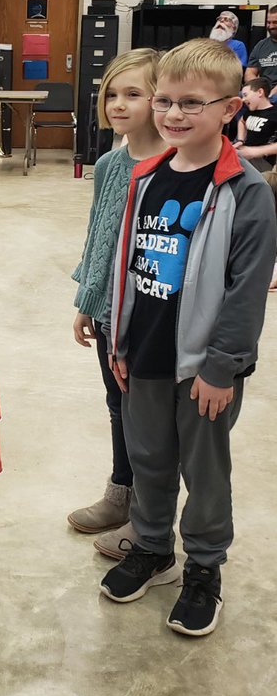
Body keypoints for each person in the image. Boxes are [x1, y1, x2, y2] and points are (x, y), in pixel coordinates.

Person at [100, 39, 275, 636]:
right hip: (143, 351)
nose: (174, 114)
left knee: (204, 471)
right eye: (166, 100)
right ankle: (152, 549)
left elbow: (247, 290)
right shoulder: (145, 177)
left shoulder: (245, 191)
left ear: (230, 110)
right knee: (148, 458)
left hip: (204, 366)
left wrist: (222, 366)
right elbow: (128, 263)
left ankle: (204, 567)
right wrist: (120, 342)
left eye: (193, 103)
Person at [68, 48, 165, 558]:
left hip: (148, 316)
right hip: (107, 312)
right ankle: (120, 494)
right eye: (112, 94)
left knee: (147, 417)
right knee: (116, 405)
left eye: (133, 94)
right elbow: (97, 237)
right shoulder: (108, 163)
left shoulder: (172, 165)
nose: (119, 104)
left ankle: (151, 515)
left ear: (159, 99)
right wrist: (87, 299)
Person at [235, 77, 277, 171]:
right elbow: (241, 121)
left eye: (245, 95)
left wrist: (254, 152)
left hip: (264, 163)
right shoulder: (250, 111)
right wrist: (240, 140)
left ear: (260, 92)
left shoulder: (274, 113)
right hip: (246, 156)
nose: (243, 100)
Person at [246, 5, 277, 95]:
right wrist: (259, 89)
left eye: (275, 22)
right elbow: (250, 72)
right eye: (268, 22)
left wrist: (271, 95)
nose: (271, 26)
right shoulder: (260, 45)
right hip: (263, 90)